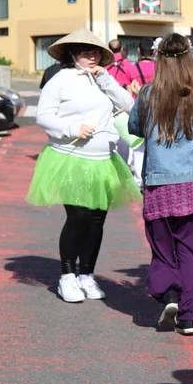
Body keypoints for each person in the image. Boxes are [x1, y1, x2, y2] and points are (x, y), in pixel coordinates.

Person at [26, 28, 141, 303]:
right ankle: (67, 276)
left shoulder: (103, 78)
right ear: (72, 55)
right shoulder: (60, 80)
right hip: (70, 157)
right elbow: (43, 116)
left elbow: (129, 106)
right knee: (78, 217)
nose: (92, 57)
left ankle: (86, 275)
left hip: (104, 160)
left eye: (96, 53)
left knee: (97, 220)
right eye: (86, 53)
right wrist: (72, 128)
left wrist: (107, 80)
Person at [128, 33, 193, 336]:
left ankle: (169, 295)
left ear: (160, 59)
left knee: (164, 248)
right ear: (189, 59)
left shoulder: (147, 93)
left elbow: (135, 127)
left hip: (159, 183)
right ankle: (188, 317)